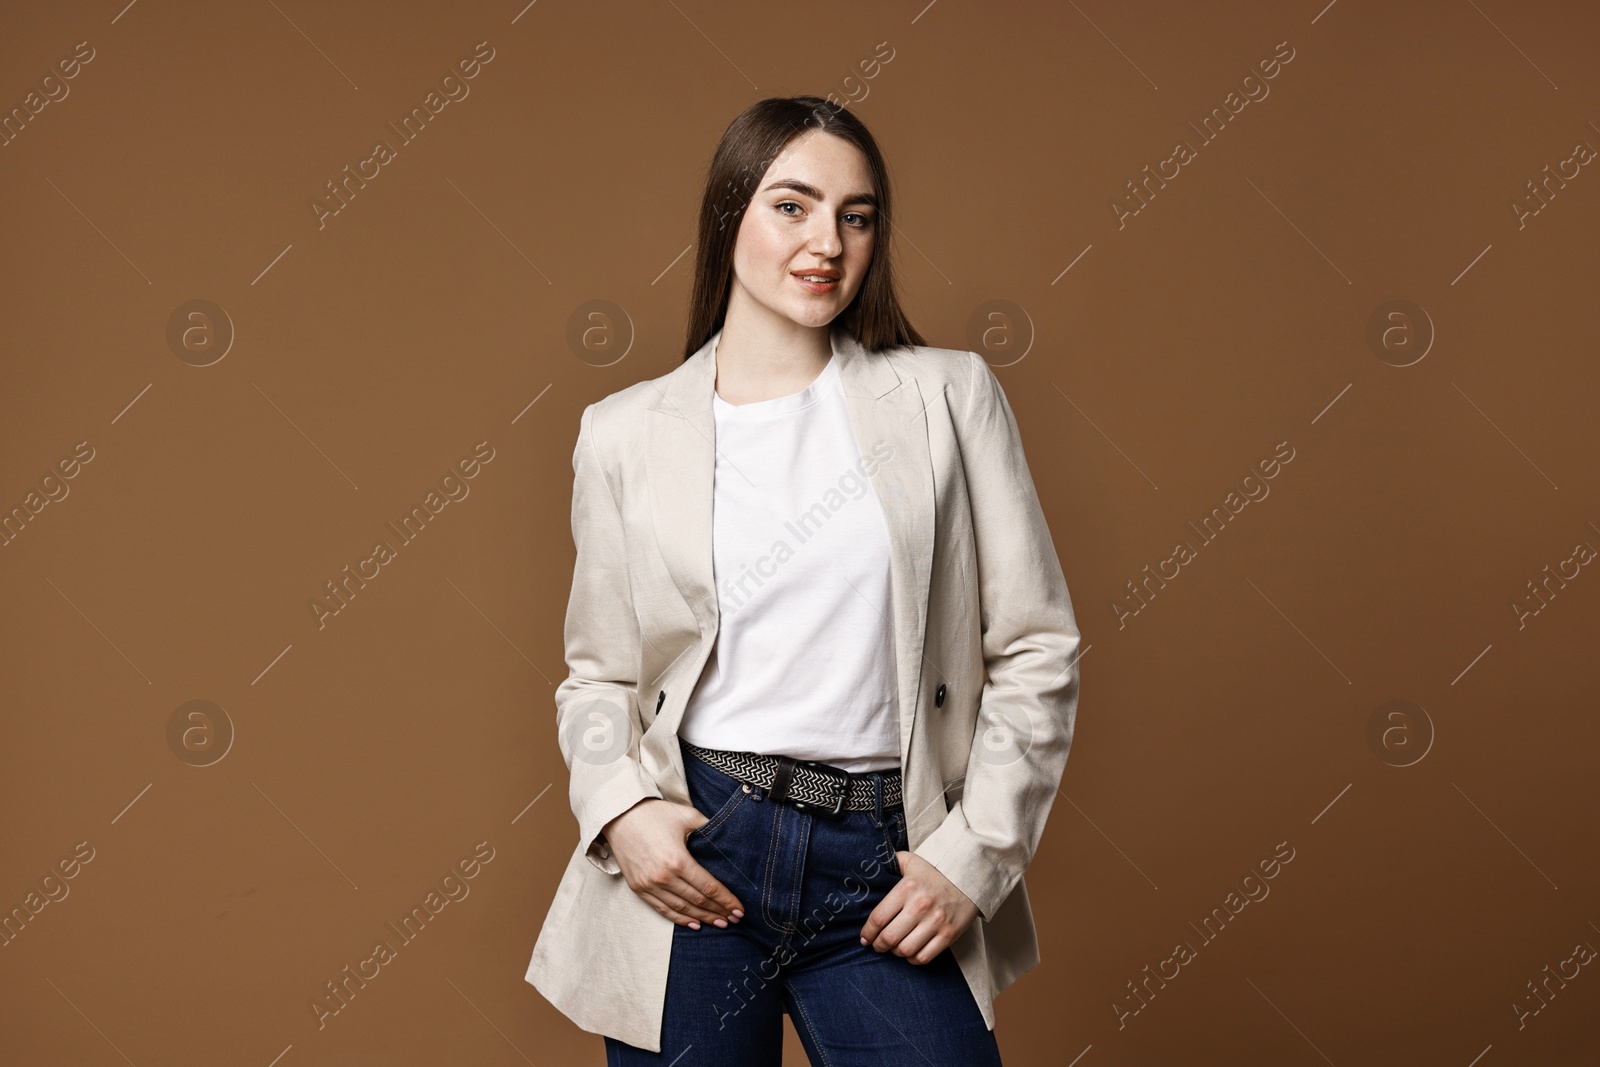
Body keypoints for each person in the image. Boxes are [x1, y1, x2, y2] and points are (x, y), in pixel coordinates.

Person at [525, 96, 1082, 1066]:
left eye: (854, 214)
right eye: (792, 205)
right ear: (727, 214)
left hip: (887, 858)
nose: (827, 240)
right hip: (703, 847)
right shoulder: (621, 433)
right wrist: (621, 808)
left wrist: (975, 854)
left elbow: (1037, 644)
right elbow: (597, 675)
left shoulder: (949, 397)